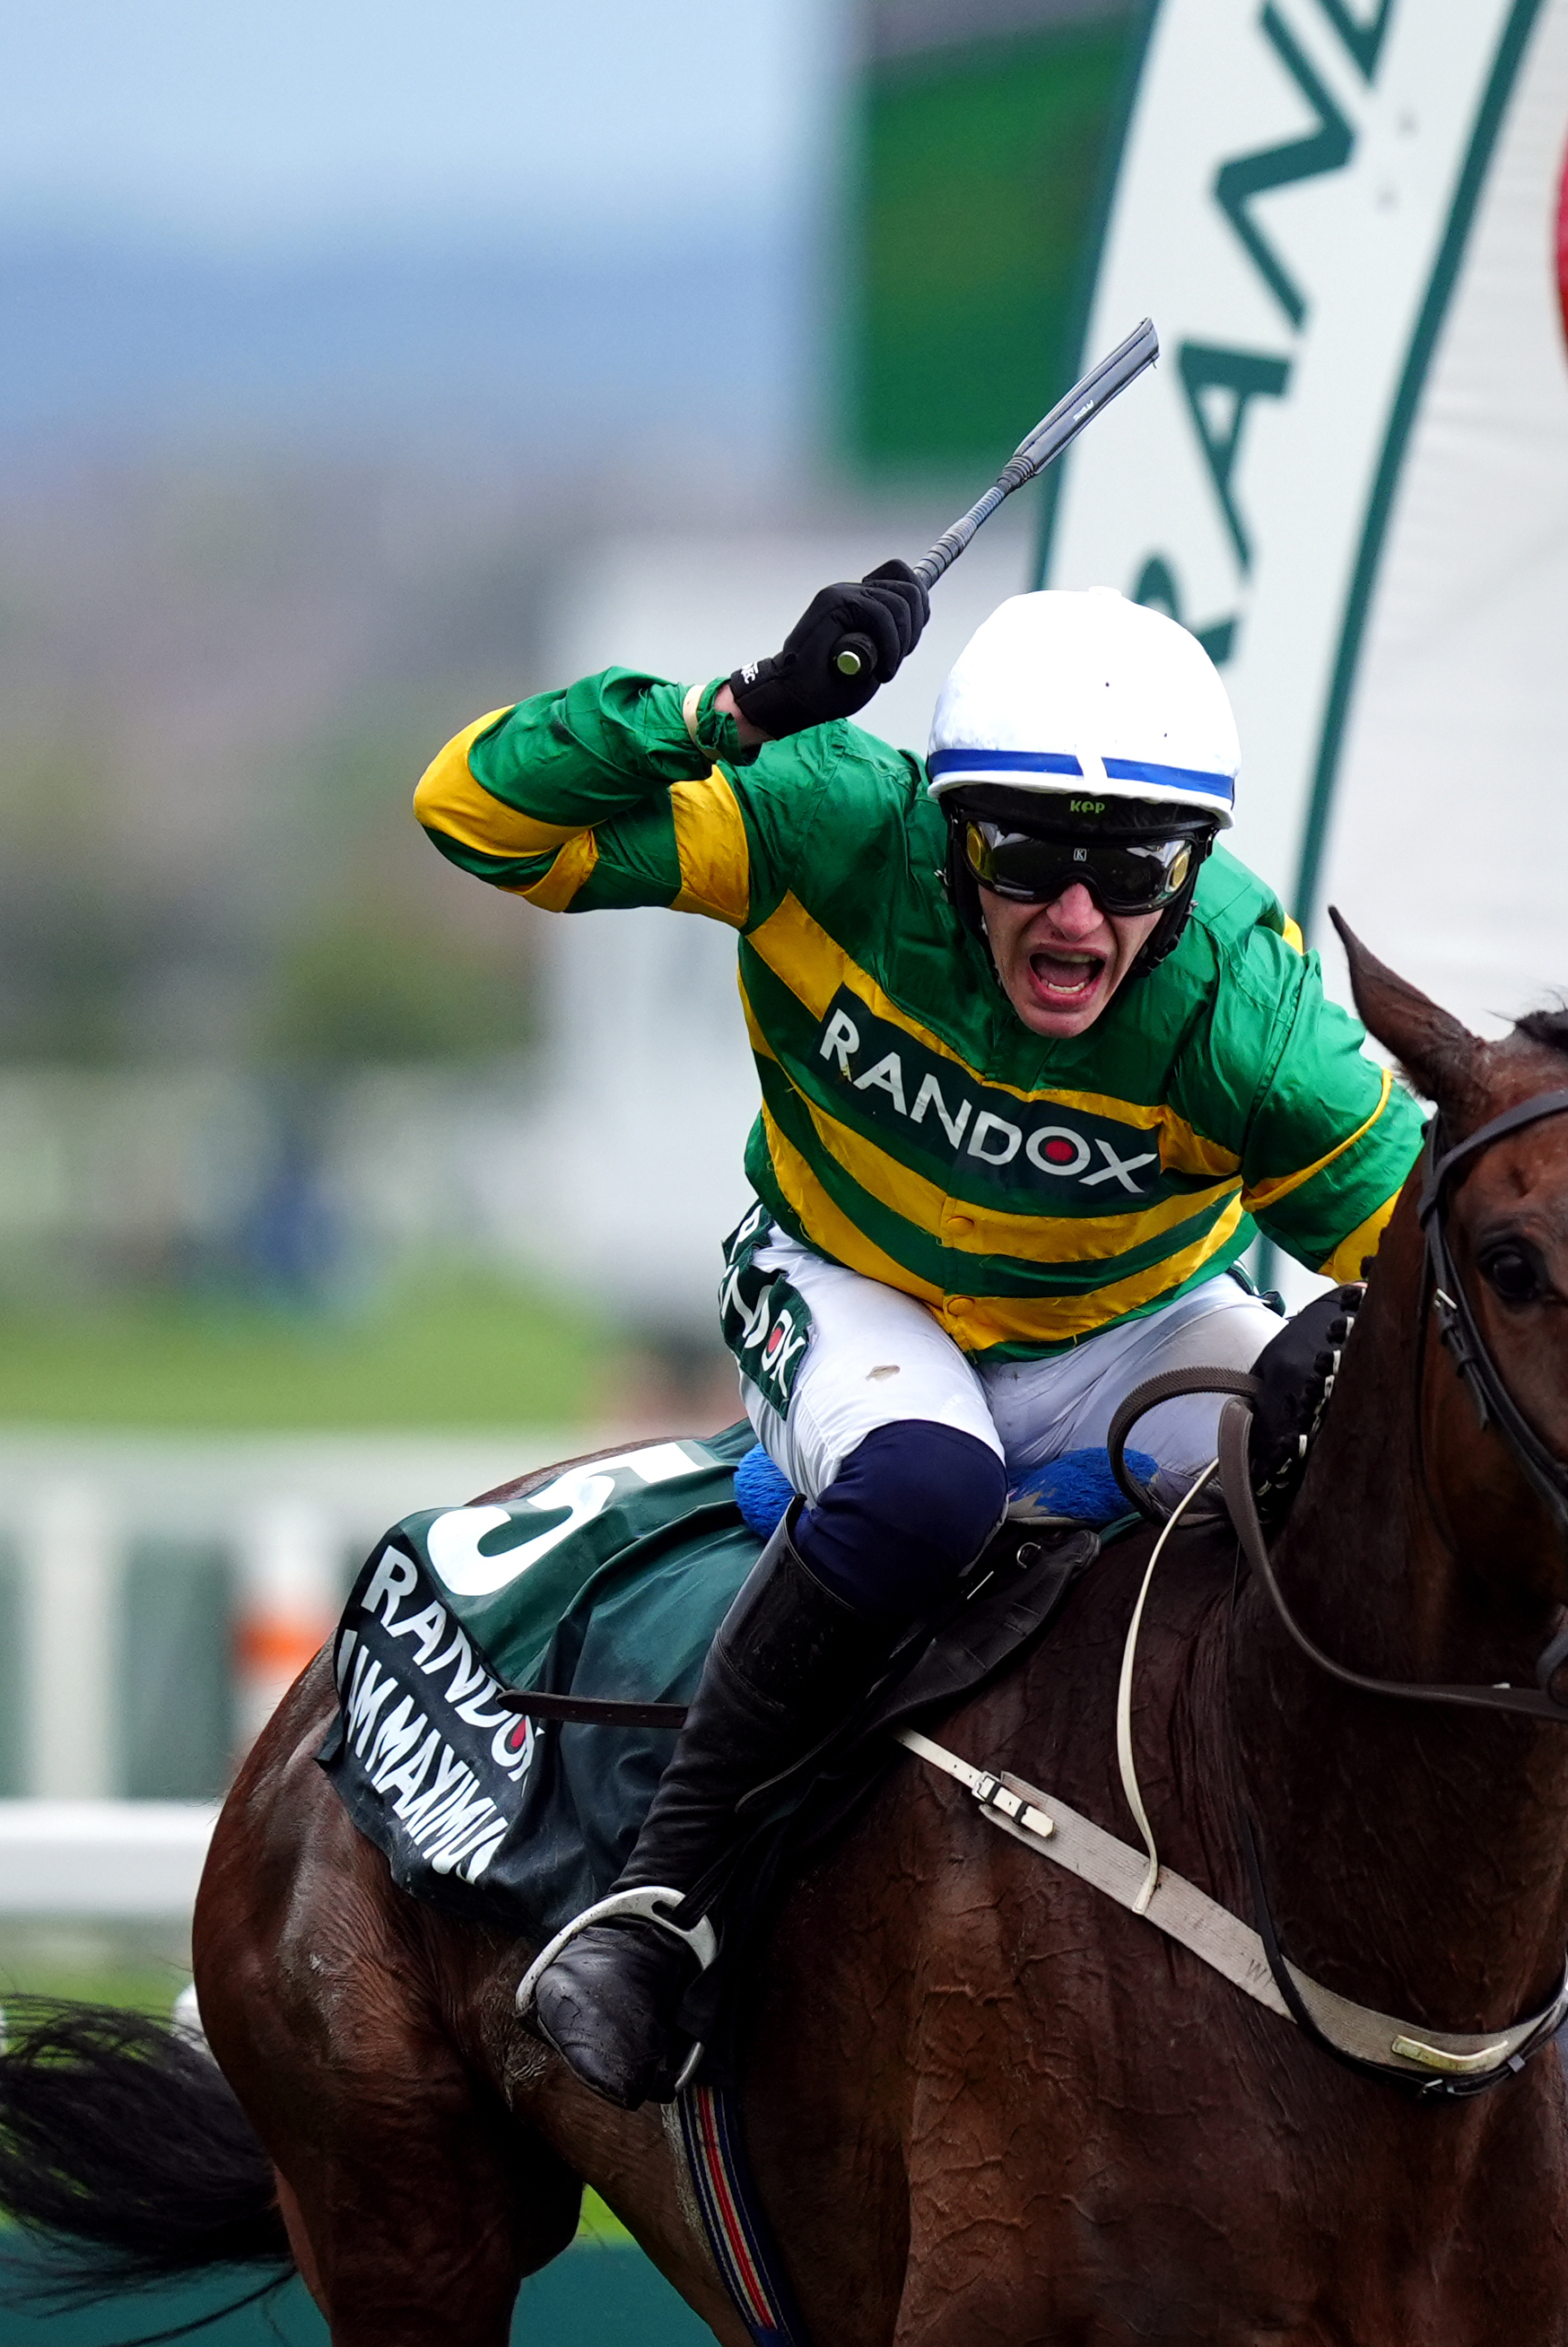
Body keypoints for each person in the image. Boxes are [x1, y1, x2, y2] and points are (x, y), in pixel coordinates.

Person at [414, 565, 1423, 2105]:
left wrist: (1352, 1349)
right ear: (951, 831)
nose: (1080, 914)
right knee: (927, 1489)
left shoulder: (1250, 1010)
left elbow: (1450, 1285)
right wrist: (729, 712)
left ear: (1197, 863)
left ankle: (1478, 1976)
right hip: (848, 1282)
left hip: (1121, 1328)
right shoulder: (828, 816)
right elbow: (475, 814)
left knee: (1343, 1451)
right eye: (1027, 855)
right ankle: (661, 1904)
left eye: (1138, 869)